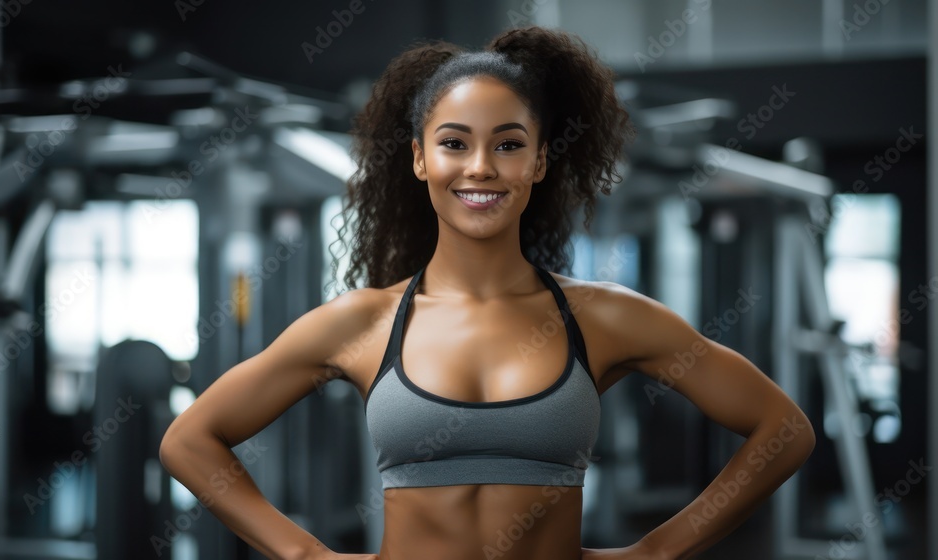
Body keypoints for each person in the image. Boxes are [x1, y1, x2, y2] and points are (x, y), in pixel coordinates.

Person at [160, 25, 816, 560]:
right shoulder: (361, 322)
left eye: (508, 144)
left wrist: (656, 550)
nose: (480, 167)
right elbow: (190, 441)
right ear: (420, 158)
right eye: (454, 144)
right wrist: (306, 556)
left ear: (538, 162)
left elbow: (783, 429)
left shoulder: (604, 318)